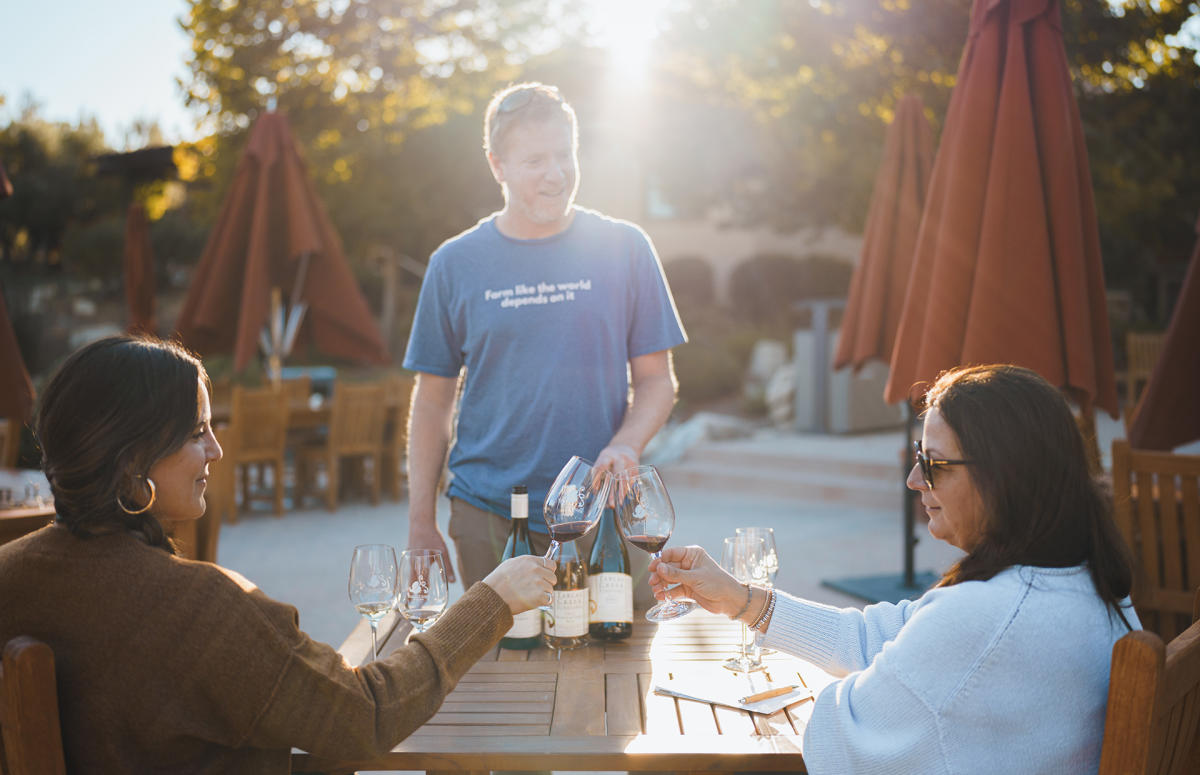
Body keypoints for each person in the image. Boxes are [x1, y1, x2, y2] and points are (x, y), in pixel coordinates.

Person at [0, 335, 555, 773]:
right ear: (131, 461)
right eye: (198, 432)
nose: (217, 449)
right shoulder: (198, 608)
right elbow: (369, 714)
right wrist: (492, 600)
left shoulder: (12, 574)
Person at [649, 364, 1138, 774]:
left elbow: (844, 742)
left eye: (932, 463)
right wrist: (741, 599)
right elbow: (878, 637)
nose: (912, 479)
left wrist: (838, 690)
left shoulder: (989, 617)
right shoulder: (1081, 583)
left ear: (1003, 475)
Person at [403, 82, 686, 595]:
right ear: (497, 165)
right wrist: (420, 522)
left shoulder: (626, 248)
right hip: (487, 514)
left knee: (617, 666)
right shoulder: (454, 264)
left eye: (565, 155)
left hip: (606, 514)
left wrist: (626, 442)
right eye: (535, 160)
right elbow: (432, 400)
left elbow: (656, 381)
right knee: (499, 670)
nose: (556, 174)